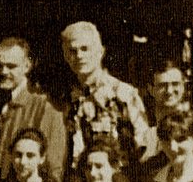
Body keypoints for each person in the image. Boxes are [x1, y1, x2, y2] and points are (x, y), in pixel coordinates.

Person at [59, 20, 155, 170]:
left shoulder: (123, 93)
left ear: (100, 52)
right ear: (66, 56)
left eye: (85, 49)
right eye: (72, 51)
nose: (79, 56)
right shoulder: (66, 99)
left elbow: (144, 145)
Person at [0, 37, 67, 182]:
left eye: (11, 66)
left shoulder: (45, 106)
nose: (3, 72)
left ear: (27, 66)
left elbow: (53, 165)